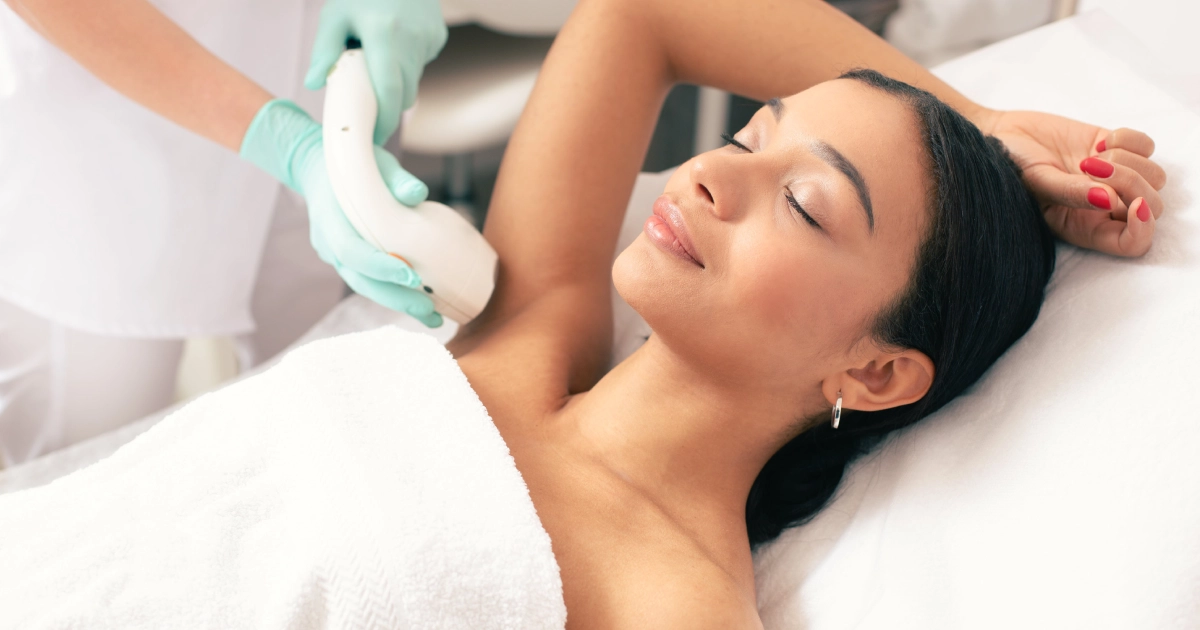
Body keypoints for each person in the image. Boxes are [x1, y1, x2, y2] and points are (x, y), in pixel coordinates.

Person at [441, 0, 1165, 626]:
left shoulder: (672, 608)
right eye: (745, 139)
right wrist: (982, 121)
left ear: (877, 372)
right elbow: (646, 13)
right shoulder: (531, 322)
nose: (707, 173)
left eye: (801, 204)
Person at [0, 0, 447, 466]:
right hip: (101, 151)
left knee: (319, 424)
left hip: (315, 92)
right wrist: (287, 144)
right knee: (89, 467)